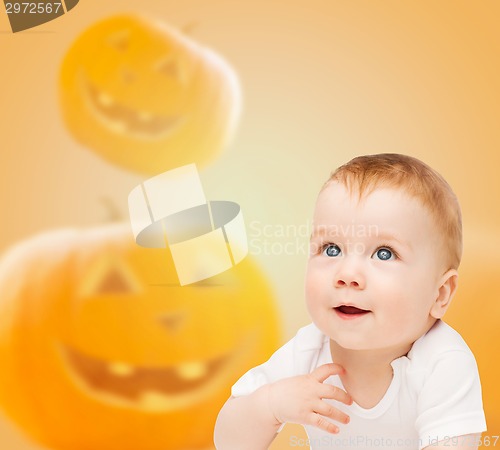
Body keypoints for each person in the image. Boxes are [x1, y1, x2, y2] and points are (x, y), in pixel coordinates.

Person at [213, 153, 487, 450]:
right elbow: (228, 442)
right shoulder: (308, 351)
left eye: (384, 253)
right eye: (331, 249)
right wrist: (270, 405)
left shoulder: (443, 363)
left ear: (440, 293)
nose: (347, 274)